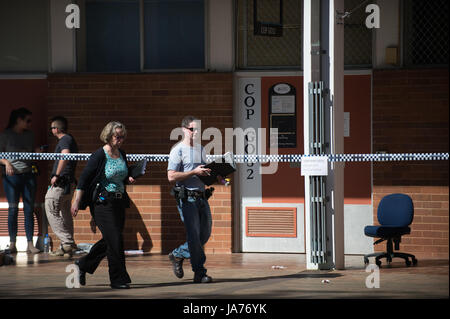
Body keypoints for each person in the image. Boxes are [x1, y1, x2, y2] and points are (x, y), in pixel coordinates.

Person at [70, 121, 135, 289]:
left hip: (119, 202)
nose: (120, 140)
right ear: (108, 136)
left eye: (122, 137)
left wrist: (129, 177)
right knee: (116, 240)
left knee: (110, 240)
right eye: (117, 137)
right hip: (103, 203)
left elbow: (121, 175)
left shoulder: (122, 153)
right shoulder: (99, 155)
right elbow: (84, 179)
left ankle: (82, 265)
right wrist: (76, 201)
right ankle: (118, 279)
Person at [167, 115, 219, 284]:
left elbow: (203, 172)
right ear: (183, 130)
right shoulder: (178, 150)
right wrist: (193, 172)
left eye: (197, 129)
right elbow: (171, 176)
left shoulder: (201, 149)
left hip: (202, 197)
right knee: (194, 236)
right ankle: (199, 273)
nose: (195, 132)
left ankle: (178, 254)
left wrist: (217, 176)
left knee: (205, 233)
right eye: (192, 129)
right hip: (187, 198)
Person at [0, 107, 40, 254]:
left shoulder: (30, 135)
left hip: (28, 174)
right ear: (18, 120)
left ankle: (30, 244)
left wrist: (37, 153)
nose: (30, 123)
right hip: (11, 177)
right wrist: (7, 163)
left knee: (29, 209)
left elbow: (30, 153)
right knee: (12, 209)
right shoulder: (5, 135)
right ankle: (12, 243)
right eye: (27, 120)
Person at [44, 116, 78, 257]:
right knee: (64, 214)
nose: (51, 130)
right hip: (68, 183)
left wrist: (56, 175)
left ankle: (67, 242)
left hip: (61, 182)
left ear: (56, 129)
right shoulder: (69, 139)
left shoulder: (64, 140)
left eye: (51, 128)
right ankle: (67, 247)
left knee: (50, 207)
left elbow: (65, 155)